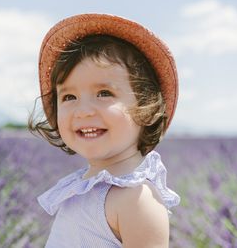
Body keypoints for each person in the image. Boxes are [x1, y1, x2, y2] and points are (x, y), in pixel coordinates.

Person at [29, 13, 180, 247]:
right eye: (69, 96)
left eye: (104, 93)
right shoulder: (82, 187)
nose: (83, 111)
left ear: (146, 107)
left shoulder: (136, 200)